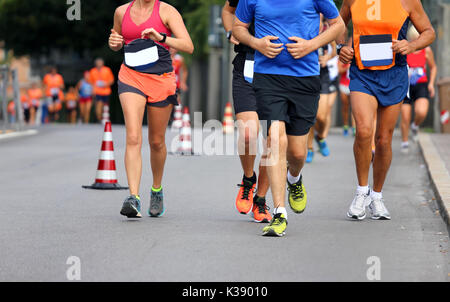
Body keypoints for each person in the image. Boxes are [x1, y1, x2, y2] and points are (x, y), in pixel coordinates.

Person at [233, 0, 344, 236]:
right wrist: (256, 43)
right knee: (274, 139)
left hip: (305, 78)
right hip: (268, 78)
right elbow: (238, 27)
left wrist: (311, 45)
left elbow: (338, 25)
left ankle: (295, 178)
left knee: (297, 153)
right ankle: (279, 212)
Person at [338, 0, 435, 220]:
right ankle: (361, 192)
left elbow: (429, 32)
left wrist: (410, 46)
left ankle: (377, 196)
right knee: (363, 131)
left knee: (383, 139)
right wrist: (340, 47)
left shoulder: (408, 1)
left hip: (394, 74)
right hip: (362, 73)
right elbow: (339, 22)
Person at [109, 0, 193, 218]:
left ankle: (156, 189)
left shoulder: (167, 11)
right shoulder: (121, 12)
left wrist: (162, 37)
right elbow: (116, 42)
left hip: (160, 79)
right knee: (133, 136)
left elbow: (188, 46)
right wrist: (115, 43)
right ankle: (133, 197)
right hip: (131, 76)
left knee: (156, 142)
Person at [222, 0, 271, 223]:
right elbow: (227, 10)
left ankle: (261, 200)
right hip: (247, 64)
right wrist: (231, 30)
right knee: (249, 134)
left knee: (274, 142)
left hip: (282, 68)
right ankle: (249, 180)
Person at [400, 25, 437, 153]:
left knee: (421, 112)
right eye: (413, 39)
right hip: (407, 86)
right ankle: (405, 142)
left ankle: (415, 126)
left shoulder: (426, 51)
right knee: (405, 116)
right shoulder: (405, 49)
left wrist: (431, 84)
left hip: (421, 84)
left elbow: (433, 68)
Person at [306, 17, 336, 164]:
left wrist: (327, 58)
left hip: (322, 76)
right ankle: (310, 147)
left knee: (321, 116)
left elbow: (335, 50)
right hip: (307, 74)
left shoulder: (326, 30)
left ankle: (320, 137)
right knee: (311, 116)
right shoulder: (303, 25)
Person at [90, 58, 114, 123]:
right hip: (97, 91)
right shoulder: (92, 71)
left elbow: (112, 80)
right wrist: (92, 90)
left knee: (105, 105)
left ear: (103, 63)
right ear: (95, 64)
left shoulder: (107, 70)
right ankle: (99, 118)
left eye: (100, 63)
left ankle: (104, 117)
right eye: (97, 63)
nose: (99, 64)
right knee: (98, 104)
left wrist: (106, 84)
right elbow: (91, 82)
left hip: (106, 91)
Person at [338, 53, 355, 136]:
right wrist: (347, 67)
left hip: (354, 84)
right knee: (345, 107)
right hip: (344, 84)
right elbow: (339, 70)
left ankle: (354, 127)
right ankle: (345, 125)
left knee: (354, 107)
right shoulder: (344, 54)